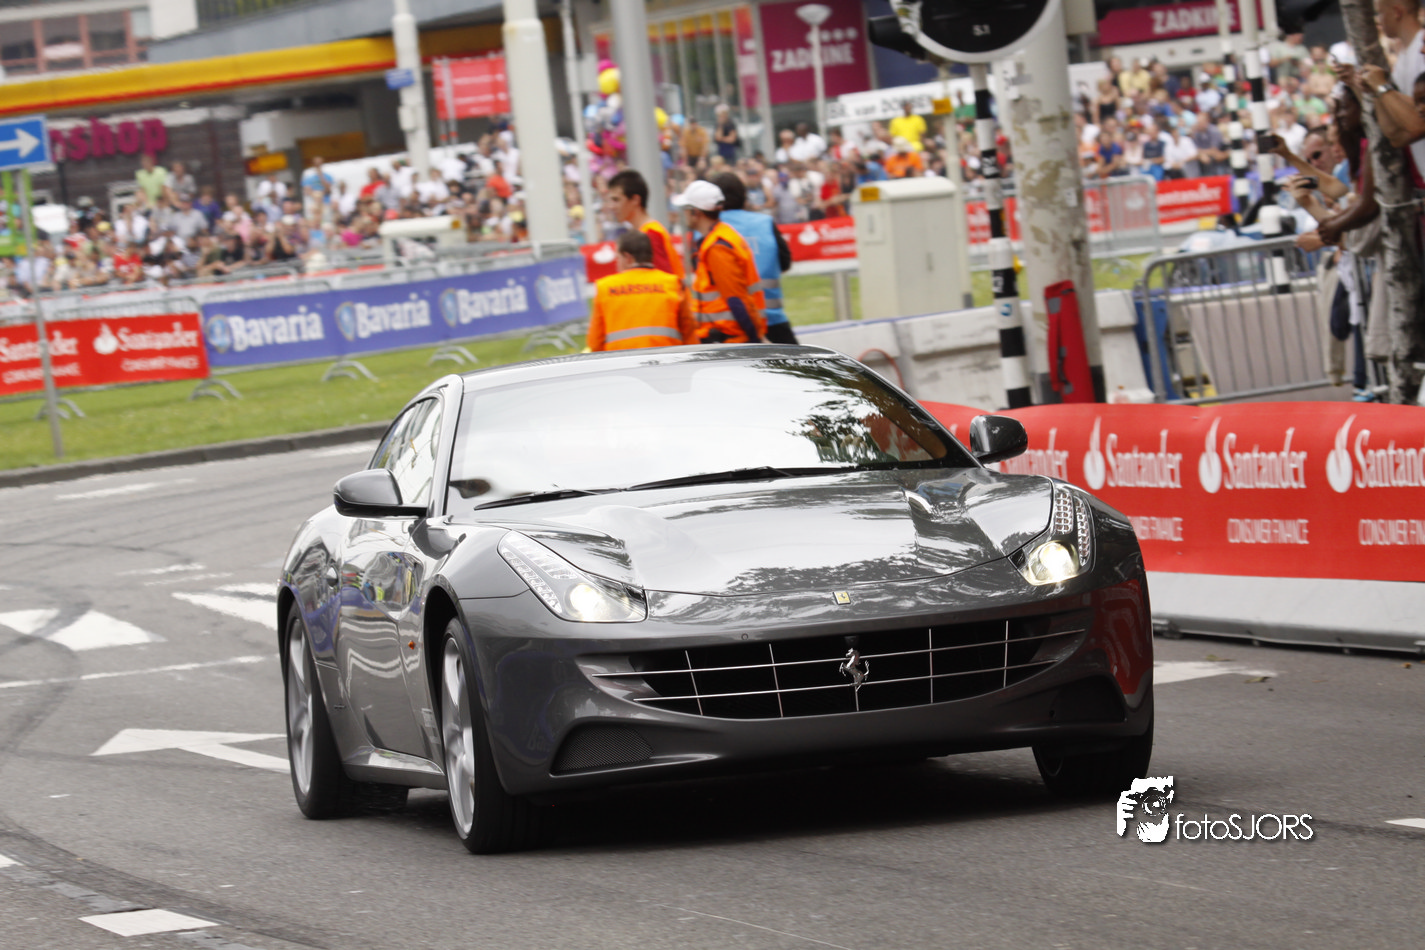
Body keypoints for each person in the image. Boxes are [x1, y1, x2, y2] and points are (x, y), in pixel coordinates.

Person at [673, 179, 765, 344]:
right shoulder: (721, 236)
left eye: (686, 210)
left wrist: (755, 339)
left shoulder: (717, 247)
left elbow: (736, 299)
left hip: (731, 339)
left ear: (696, 212)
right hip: (728, 338)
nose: (683, 215)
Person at [711, 171, 797, 345]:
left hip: (728, 328)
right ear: (744, 196)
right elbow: (785, 262)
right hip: (773, 321)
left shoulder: (709, 230)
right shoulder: (765, 223)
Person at [586, 230, 697, 352]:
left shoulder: (605, 287)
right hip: (666, 358)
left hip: (621, 360)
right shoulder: (673, 284)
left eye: (618, 258)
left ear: (628, 258)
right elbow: (689, 331)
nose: (616, 263)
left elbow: (595, 342)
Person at [605, 169, 685, 283]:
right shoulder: (645, 231)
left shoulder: (650, 234)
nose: (611, 206)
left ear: (635, 200)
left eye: (616, 200)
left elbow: (664, 283)